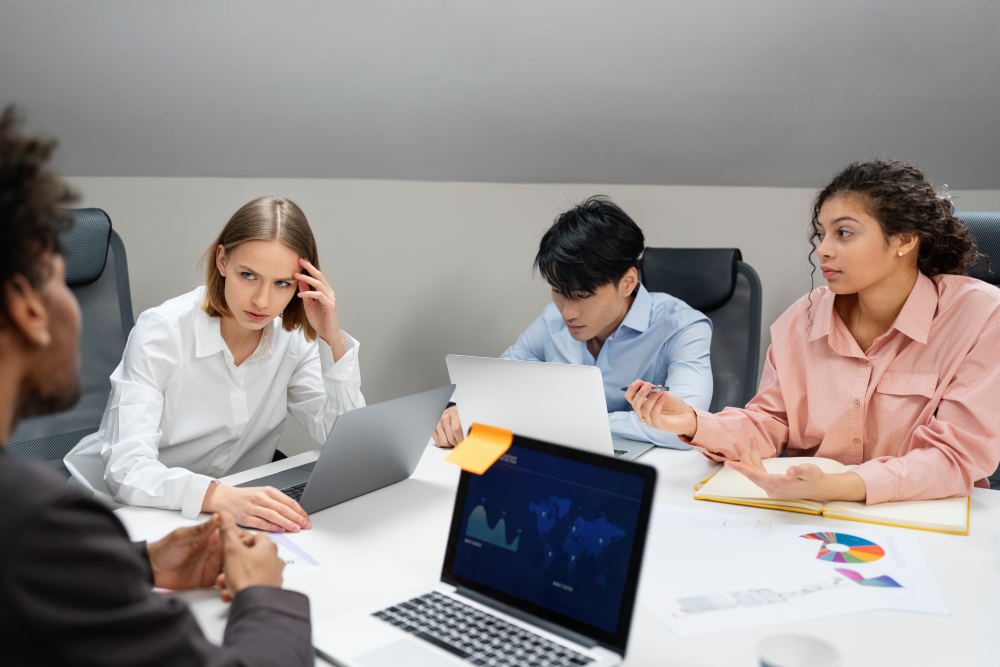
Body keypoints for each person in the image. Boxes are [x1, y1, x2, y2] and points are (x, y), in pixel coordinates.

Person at [0, 106, 312, 665]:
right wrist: (266, 598)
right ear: (28, 309)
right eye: (56, 276)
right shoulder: (41, 527)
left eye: (282, 283)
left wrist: (143, 563)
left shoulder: (32, 531)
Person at [626, 158, 1000, 503]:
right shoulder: (801, 319)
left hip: (931, 518)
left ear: (903, 239)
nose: (823, 249)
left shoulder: (980, 315)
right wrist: (693, 422)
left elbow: (956, 455)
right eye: (822, 233)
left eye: (844, 233)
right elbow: (768, 424)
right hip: (810, 516)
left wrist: (844, 486)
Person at [65, 196, 364, 532]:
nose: (262, 300)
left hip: (223, 517)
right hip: (120, 516)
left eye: (282, 283)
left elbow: (342, 438)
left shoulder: (293, 339)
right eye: (248, 275)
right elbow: (126, 470)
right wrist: (220, 497)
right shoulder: (163, 331)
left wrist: (331, 339)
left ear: (302, 286)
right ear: (222, 260)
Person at [433, 195, 713, 449]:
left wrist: (557, 423)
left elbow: (685, 425)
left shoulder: (683, 329)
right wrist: (464, 408)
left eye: (582, 295)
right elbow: (494, 387)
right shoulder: (550, 322)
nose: (567, 312)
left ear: (627, 283)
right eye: (559, 291)